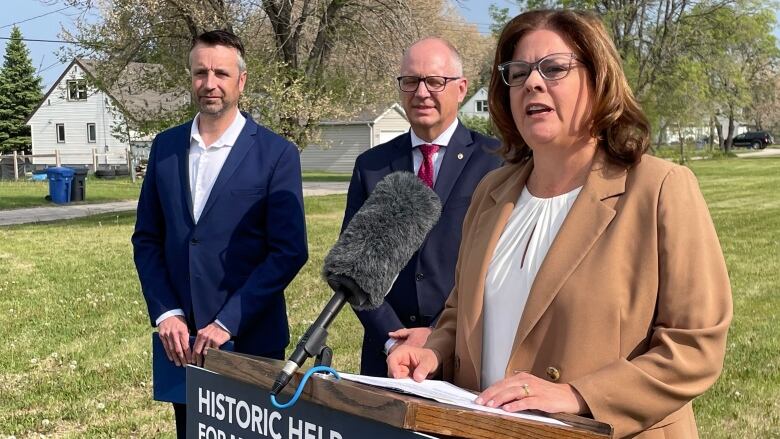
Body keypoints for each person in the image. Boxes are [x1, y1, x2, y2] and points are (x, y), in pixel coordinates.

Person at [387, 10, 732, 439]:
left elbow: (694, 346)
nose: (532, 82)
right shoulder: (491, 193)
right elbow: (461, 312)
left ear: (598, 79)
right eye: (518, 72)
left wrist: (577, 395)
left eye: (554, 68)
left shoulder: (660, 188)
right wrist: (435, 352)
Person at [132, 30, 308, 438]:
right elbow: (147, 239)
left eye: (221, 74)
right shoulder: (166, 148)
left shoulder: (276, 154)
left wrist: (228, 321)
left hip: (250, 342)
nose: (210, 83)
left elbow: (288, 251)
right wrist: (166, 312)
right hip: (183, 347)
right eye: (200, 72)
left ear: (240, 81)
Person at [343, 37, 502, 377]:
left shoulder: (497, 163)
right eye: (410, 81)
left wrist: (438, 335)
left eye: (435, 81)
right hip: (387, 356)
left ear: (461, 89)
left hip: (463, 355)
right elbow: (354, 272)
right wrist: (393, 340)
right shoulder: (372, 165)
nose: (421, 92)